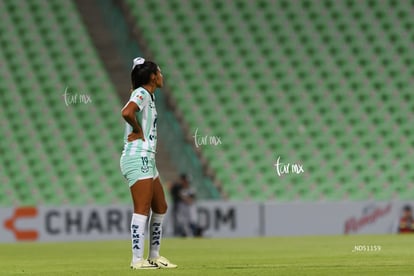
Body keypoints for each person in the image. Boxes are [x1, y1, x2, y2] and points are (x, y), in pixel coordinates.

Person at [120, 57, 177, 269]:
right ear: (153, 77)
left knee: (160, 206)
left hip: (147, 158)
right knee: (142, 208)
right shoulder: (142, 93)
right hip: (137, 156)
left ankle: (154, 255)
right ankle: (137, 260)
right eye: (159, 72)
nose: (162, 76)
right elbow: (127, 112)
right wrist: (136, 129)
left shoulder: (148, 96)